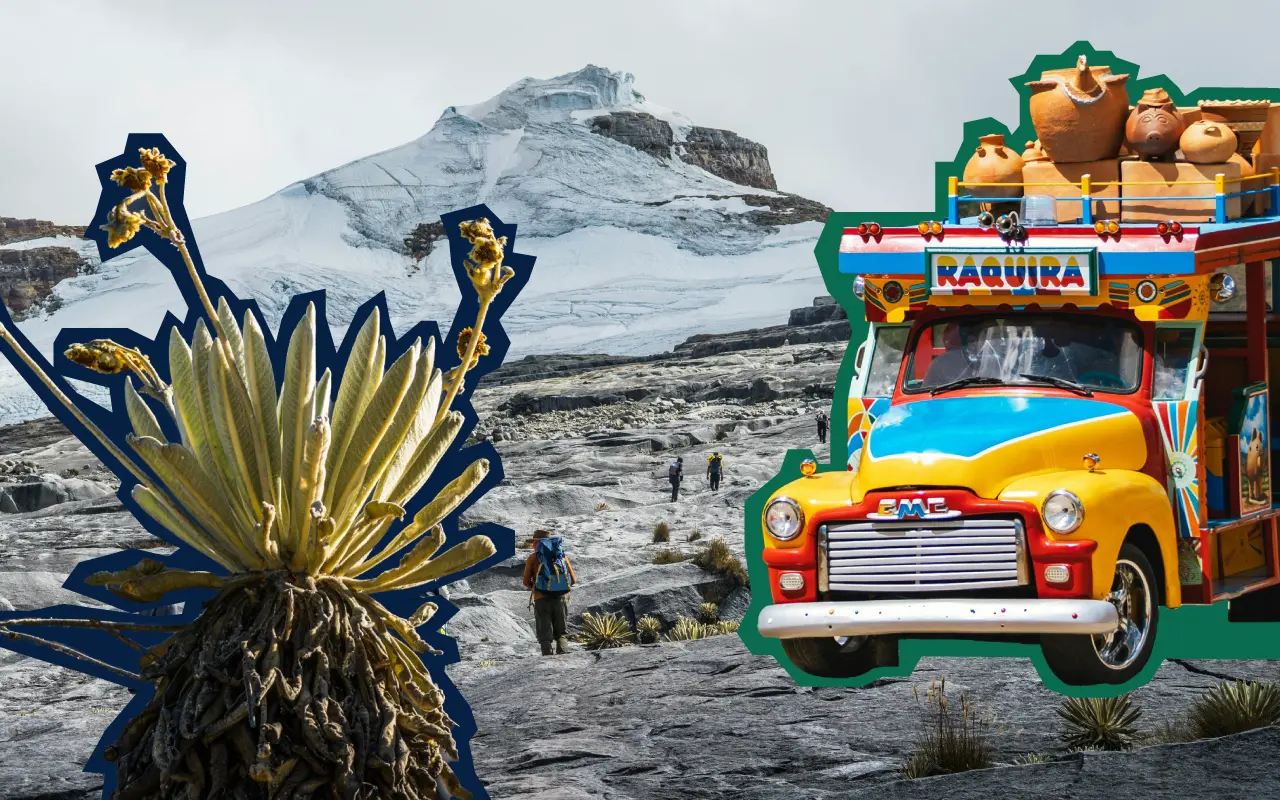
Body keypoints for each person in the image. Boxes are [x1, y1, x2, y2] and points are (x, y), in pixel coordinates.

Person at [522, 529, 576, 656]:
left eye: (534, 542)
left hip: (541, 599)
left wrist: (538, 587)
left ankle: (547, 657)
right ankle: (564, 656)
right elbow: (573, 580)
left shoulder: (533, 558)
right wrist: (558, 587)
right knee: (561, 633)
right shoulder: (562, 557)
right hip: (560, 598)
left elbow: (525, 581)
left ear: (538, 543)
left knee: (544, 633)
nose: (533, 545)